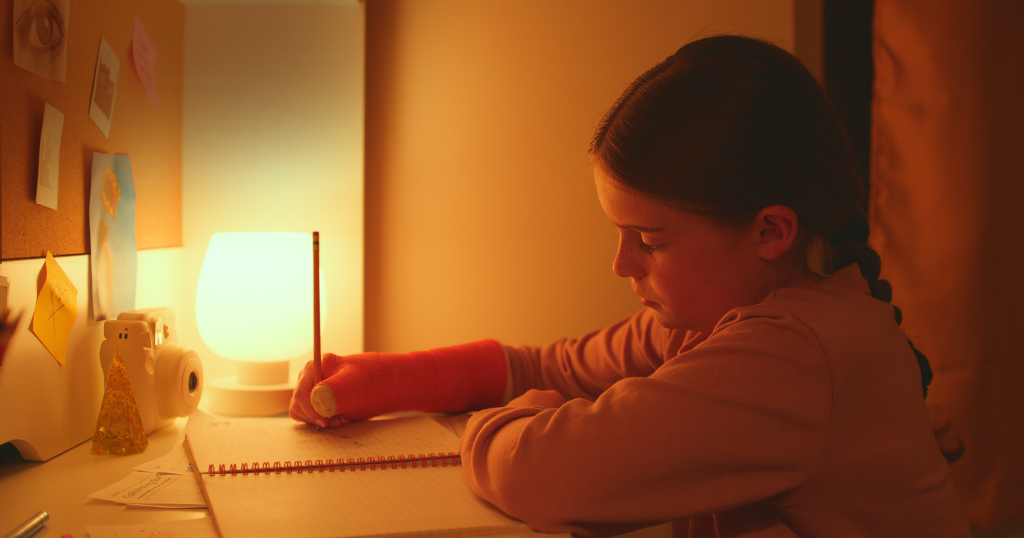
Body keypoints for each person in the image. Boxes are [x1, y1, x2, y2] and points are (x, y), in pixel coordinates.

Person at [289, 35, 971, 538]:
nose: (621, 264)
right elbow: (545, 365)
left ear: (770, 232)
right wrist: (381, 379)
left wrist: (508, 421)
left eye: (650, 240)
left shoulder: (793, 353)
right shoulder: (714, 316)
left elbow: (547, 476)